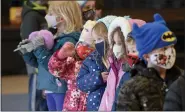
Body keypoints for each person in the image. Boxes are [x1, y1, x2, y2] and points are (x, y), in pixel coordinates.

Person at [16, 1, 82, 111]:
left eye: (51, 14)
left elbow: (53, 66)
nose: (47, 16)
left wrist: (39, 48)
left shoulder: (68, 41)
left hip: (61, 90)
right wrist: (27, 53)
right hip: (52, 88)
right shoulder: (55, 38)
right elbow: (40, 65)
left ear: (61, 18)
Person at [116, 13, 183, 111]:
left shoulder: (181, 80)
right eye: (163, 48)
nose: (170, 52)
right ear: (146, 55)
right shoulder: (132, 88)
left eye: (172, 46)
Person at [99, 16, 146, 111]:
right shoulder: (114, 65)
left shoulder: (131, 70)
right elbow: (108, 94)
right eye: (114, 43)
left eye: (120, 43)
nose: (116, 47)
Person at [48, 20, 96, 111]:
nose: (83, 49)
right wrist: (60, 56)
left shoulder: (100, 62)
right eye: (81, 44)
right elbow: (55, 71)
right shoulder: (75, 60)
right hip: (71, 107)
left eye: (88, 46)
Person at [77, 15, 117, 111]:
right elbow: (80, 83)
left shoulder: (119, 58)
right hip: (95, 106)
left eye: (100, 39)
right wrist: (97, 77)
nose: (97, 43)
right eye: (95, 40)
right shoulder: (92, 58)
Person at [20, 0, 48, 111]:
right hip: (37, 67)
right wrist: (37, 64)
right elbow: (28, 45)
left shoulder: (44, 12)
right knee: (36, 101)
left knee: (45, 102)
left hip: (45, 64)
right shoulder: (31, 16)